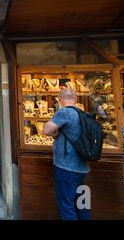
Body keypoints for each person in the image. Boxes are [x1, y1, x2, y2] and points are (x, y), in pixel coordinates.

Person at [42, 88, 90, 220]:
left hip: (67, 166)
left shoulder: (64, 112)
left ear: (60, 99)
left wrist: (54, 131)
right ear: (75, 99)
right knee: (82, 204)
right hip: (83, 167)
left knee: (66, 205)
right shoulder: (83, 113)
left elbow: (46, 130)